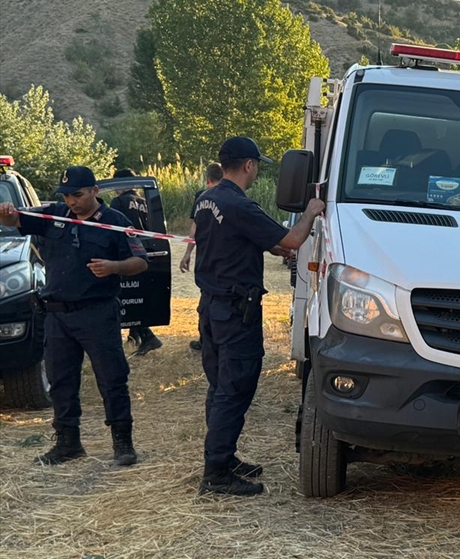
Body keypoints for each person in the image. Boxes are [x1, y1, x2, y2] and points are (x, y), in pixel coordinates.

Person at [193, 138, 323, 496]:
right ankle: (216, 472)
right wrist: (311, 212)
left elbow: (259, 241)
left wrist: (277, 243)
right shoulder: (239, 204)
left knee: (221, 386)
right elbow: (293, 241)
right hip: (236, 310)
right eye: (257, 165)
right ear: (248, 165)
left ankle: (222, 456)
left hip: (212, 306)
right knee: (234, 388)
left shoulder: (207, 200)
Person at [0, 166, 149, 466]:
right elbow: (16, 219)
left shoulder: (115, 222)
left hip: (97, 313)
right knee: (60, 381)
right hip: (57, 315)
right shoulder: (54, 216)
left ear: (95, 191)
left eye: (77, 195)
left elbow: (140, 261)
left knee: (112, 378)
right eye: (66, 195)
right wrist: (7, 214)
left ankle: (122, 443)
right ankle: (68, 443)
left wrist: (114, 267)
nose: (72, 201)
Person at [109, 168, 162, 356]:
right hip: (146, 252)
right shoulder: (143, 202)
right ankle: (134, 335)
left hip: (127, 255)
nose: (115, 190)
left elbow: (111, 228)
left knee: (127, 296)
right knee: (137, 295)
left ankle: (147, 336)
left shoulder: (119, 202)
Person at [181, 163, 223, 351]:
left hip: (205, 258)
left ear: (207, 180)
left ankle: (205, 338)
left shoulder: (202, 196)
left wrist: (188, 253)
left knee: (206, 297)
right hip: (227, 259)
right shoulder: (235, 195)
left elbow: (195, 229)